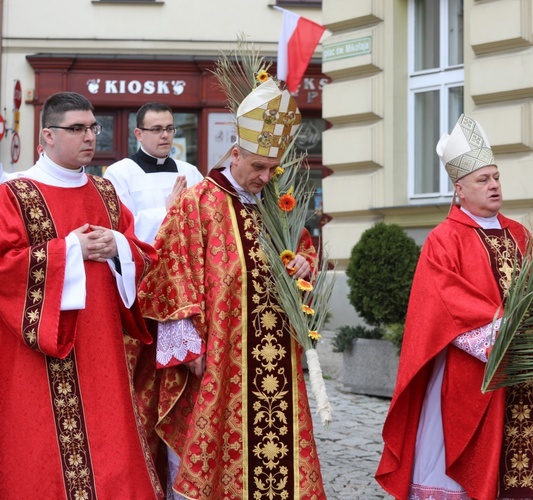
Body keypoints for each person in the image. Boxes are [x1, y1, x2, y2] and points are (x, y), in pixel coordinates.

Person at [138, 76, 326, 499]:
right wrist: (187, 348)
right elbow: (170, 274)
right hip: (218, 356)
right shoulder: (197, 203)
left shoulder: (279, 208)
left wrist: (303, 265)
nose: (264, 176)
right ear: (235, 154)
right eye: (257, 166)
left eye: (271, 168)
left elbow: (306, 255)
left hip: (276, 352)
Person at [376, 114, 533, 500]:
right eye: (483, 180)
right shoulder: (444, 240)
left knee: (520, 462)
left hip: (522, 370)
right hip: (470, 373)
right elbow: (444, 302)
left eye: (496, 177)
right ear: (459, 190)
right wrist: (501, 327)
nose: (494, 185)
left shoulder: (520, 234)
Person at [0, 91, 162, 498]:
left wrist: (118, 249)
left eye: (93, 128)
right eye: (77, 129)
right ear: (48, 136)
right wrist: (69, 251)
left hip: (101, 352)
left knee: (111, 452)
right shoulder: (15, 195)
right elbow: (5, 266)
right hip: (39, 354)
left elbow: (144, 257)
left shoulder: (107, 193)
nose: (89, 137)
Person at [104, 102, 203, 245]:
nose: (165, 135)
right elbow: (121, 228)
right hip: (145, 262)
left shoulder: (190, 172)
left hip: (185, 260)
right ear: (139, 134)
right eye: (157, 130)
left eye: (169, 129)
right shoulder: (119, 173)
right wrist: (166, 211)